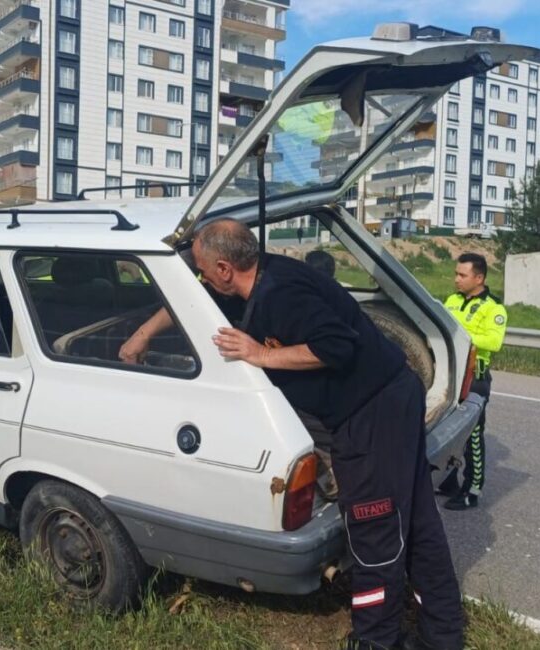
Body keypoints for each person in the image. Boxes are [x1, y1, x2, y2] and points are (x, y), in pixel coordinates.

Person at [119, 220, 464, 650]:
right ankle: (443, 635)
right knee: (416, 521)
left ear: (225, 268)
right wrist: (141, 336)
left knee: (375, 529)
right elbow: (189, 298)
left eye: (206, 271)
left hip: (371, 413)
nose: (203, 279)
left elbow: (336, 345)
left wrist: (260, 353)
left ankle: (377, 640)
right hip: (392, 394)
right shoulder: (260, 273)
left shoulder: (280, 296)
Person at [437, 252, 507, 511]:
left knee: (473, 436)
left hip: (475, 378)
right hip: (448, 377)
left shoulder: (494, 308)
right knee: (445, 431)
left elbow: (494, 341)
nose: (456, 279)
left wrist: (461, 334)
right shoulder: (452, 300)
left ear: (479, 278)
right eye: (456, 273)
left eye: (462, 275)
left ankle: (472, 489)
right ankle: (448, 481)